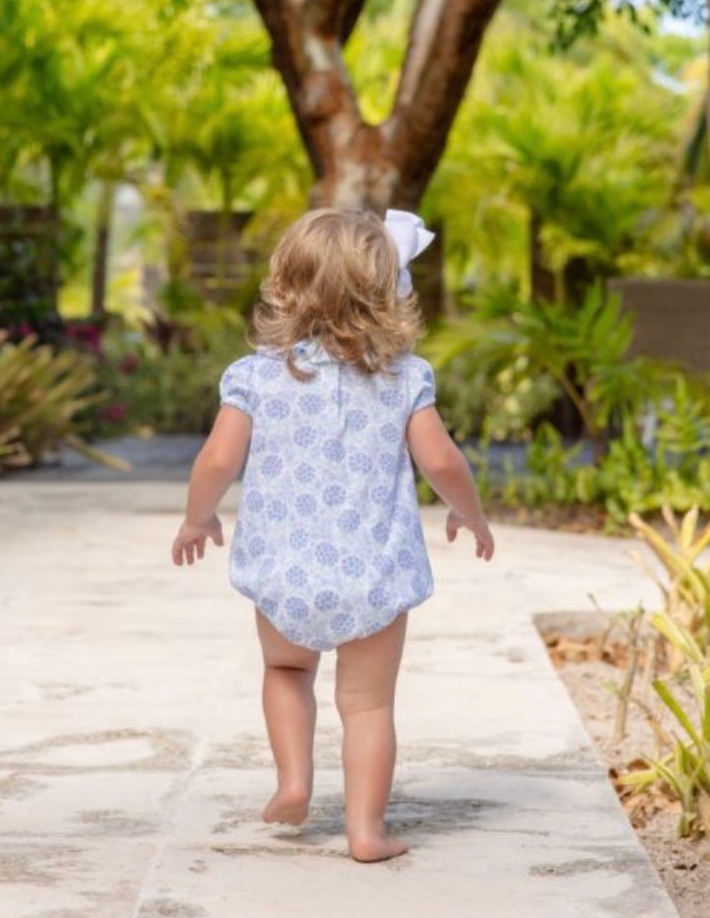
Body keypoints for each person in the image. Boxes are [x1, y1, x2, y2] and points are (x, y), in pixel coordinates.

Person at [171, 207, 494, 863]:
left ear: (281, 286)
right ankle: (366, 832)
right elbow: (440, 462)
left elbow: (217, 460)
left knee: (286, 670)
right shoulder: (405, 378)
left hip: (284, 573)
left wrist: (198, 517)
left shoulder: (254, 376)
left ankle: (294, 782)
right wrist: (470, 513)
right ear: (387, 293)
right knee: (368, 706)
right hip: (373, 576)